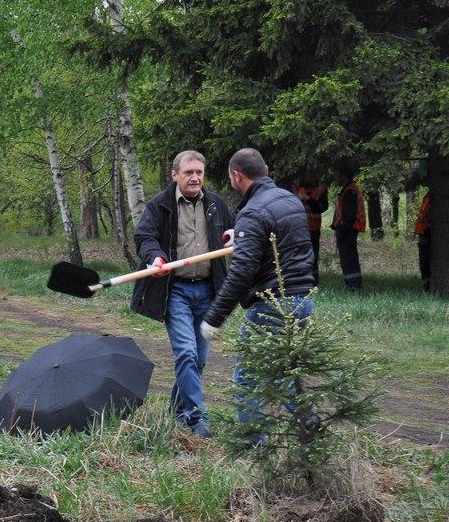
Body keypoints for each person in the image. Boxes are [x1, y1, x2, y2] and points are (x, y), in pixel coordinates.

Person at [200, 148, 316, 435]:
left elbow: (241, 272)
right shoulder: (289, 200)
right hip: (303, 299)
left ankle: (253, 447)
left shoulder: (253, 211)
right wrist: (239, 234)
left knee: (248, 380)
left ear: (237, 176)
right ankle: (311, 425)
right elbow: (280, 246)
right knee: (281, 374)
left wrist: (214, 318)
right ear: (265, 169)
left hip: (271, 303)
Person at [131, 150, 236, 438]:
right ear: (175, 175)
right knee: (187, 354)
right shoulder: (160, 205)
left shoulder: (216, 204)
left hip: (208, 290)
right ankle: (195, 418)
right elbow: (145, 237)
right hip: (174, 290)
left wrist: (234, 236)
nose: (194, 178)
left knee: (199, 360)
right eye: (188, 172)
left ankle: (176, 409)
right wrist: (154, 257)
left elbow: (234, 228)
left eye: (199, 173)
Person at [332, 169, 366, 290]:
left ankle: (354, 286)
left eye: (339, 175)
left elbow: (349, 215)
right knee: (349, 259)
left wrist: (341, 230)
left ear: (344, 176)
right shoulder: (349, 189)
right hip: (348, 230)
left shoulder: (350, 191)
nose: (337, 178)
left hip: (348, 231)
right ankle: (353, 285)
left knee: (349, 259)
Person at [294, 174, 329, 283]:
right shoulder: (294, 185)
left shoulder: (321, 188)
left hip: (313, 227)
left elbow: (321, 207)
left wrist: (308, 199)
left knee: (313, 255)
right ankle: (299, 280)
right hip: (298, 227)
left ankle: (313, 281)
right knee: (298, 255)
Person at [415, 192, 432, 292]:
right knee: (424, 264)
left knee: (427, 264)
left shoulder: (439, 196)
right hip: (424, 234)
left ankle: (428, 287)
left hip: (428, 235)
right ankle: (426, 288)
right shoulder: (428, 196)